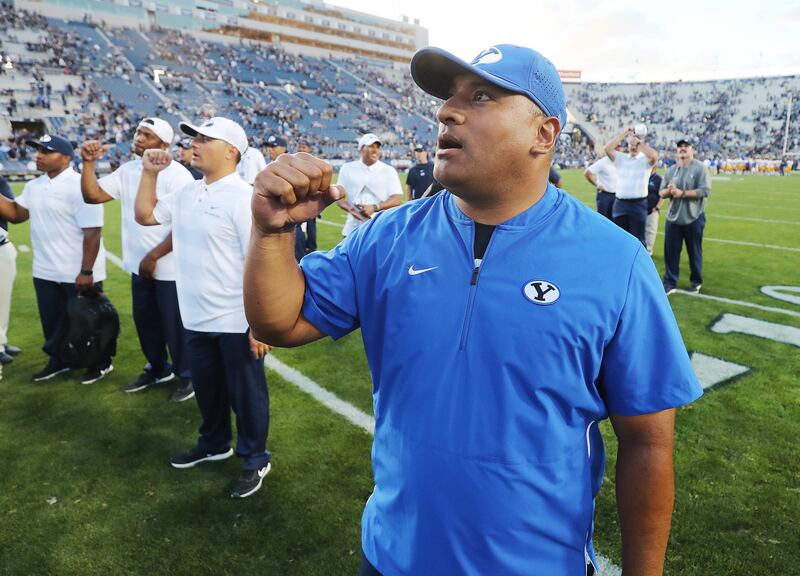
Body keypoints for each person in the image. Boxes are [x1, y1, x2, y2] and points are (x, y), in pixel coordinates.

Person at [244, 44, 702, 575]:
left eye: (481, 96)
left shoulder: (615, 259)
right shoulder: (386, 238)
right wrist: (271, 231)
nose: (446, 111)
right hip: (392, 555)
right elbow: (279, 320)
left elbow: (647, 440)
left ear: (544, 135)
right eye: (448, 97)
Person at [134, 117, 272, 499]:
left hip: (234, 319)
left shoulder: (245, 197)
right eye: (193, 137)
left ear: (232, 151)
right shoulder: (187, 193)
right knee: (209, 391)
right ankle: (214, 443)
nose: (194, 143)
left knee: (247, 394)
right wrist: (149, 172)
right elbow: (145, 215)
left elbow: (258, 263)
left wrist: (259, 325)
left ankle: (255, 456)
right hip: (194, 315)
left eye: (205, 138)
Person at [80, 118, 196, 402]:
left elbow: (185, 224)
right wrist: (88, 163)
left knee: (175, 326)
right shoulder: (128, 170)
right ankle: (157, 368)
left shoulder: (178, 174)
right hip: (138, 264)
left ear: (164, 145)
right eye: (138, 132)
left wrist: (155, 255)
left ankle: (187, 376)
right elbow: (92, 195)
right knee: (146, 323)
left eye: (148, 135)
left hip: (170, 267)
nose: (139, 137)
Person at [0, 134, 110, 384]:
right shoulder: (34, 186)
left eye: (45, 151)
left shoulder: (81, 184)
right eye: (37, 150)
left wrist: (86, 271)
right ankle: (59, 361)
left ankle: (100, 364)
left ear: (66, 157)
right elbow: (16, 214)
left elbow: (92, 231)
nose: (38, 155)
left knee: (88, 323)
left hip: (77, 270)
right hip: (46, 270)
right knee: (54, 324)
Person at [659, 139, 711, 294]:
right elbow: (661, 192)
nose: (682, 149)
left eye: (685, 147)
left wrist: (682, 194)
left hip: (694, 217)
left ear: (692, 150)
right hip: (673, 218)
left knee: (694, 252)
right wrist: (669, 191)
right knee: (671, 253)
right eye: (679, 147)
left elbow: (705, 191)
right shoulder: (671, 170)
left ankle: (696, 281)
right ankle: (670, 282)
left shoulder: (700, 169)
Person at [336, 133, 403, 237]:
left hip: (380, 229)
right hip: (352, 230)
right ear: (361, 148)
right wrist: (352, 211)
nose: (375, 150)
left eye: (377, 147)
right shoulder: (347, 168)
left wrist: (374, 207)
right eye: (371, 146)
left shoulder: (389, 170)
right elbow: (339, 196)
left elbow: (397, 199)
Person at [604, 127, 658, 245]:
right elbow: (607, 148)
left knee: (638, 240)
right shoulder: (621, 158)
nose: (633, 147)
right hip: (620, 204)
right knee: (619, 239)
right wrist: (624, 134)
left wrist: (638, 142)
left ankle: (637, 263)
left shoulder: (645, 160)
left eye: (636, 145)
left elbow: (654, 156)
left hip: (638, 204)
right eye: (631, 144)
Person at [0, 174, 21, 366]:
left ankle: (1, 342)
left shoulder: (0, 182)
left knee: (3, 300)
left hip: (1, 247)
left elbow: (12, 212)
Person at [584, 145, 621, 220]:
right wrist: (597, 185)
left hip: (617, 196)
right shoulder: (602, 162)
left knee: (614, 220)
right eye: (617, 151)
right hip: (604, 195)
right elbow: (587, 173)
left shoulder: (620, 162)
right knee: (602, 219)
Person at [645, 165, 664, 255]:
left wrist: (657, 207)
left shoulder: (658, 179)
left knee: (651, 230)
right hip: (641, 208)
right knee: (641, 230)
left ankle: (649, 251)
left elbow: (662, 195)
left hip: (652, 209)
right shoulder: (643, 176)